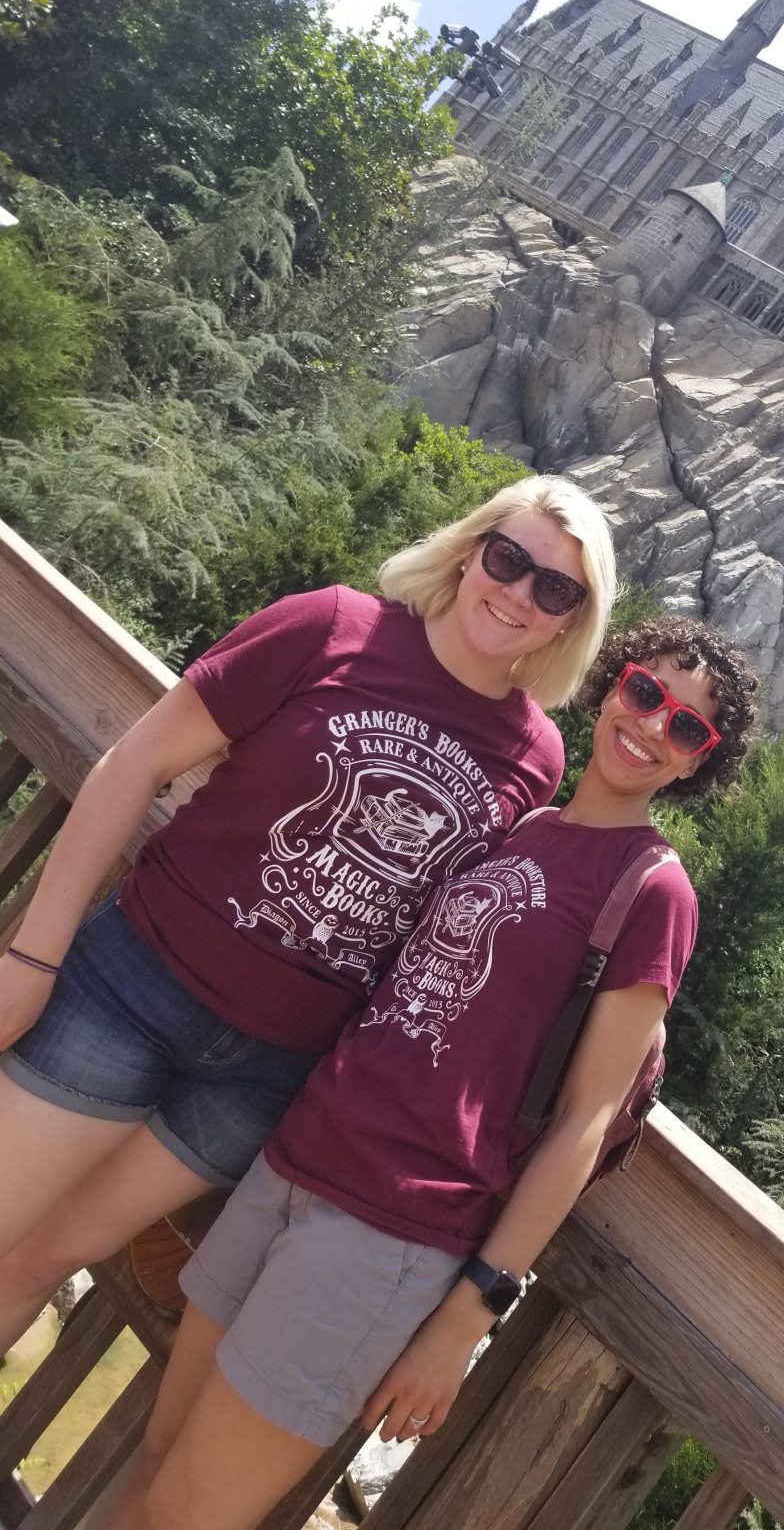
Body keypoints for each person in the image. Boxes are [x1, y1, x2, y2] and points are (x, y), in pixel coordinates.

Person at [109, 617, 758, 1530]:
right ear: (615, 684)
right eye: (647, 692)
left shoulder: (654, 891)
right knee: (153, 1471)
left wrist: (465, 1321)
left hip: (389, 1235)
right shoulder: (526, 827)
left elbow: (583, 1122)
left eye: (687, 728)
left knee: (184, 1515)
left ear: (698, 765)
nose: (652, 726)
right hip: (294, 1161)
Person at [0, 475, 617, 1356]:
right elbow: (136, 763)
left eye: (553, 587)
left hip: (263, 1075)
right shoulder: (331, 626)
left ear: (570, 621)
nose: (517, 593)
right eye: (508, 558)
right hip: (134, 989)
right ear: (471, 549)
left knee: (37, 1264)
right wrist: (32, 957)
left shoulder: (537, 756)